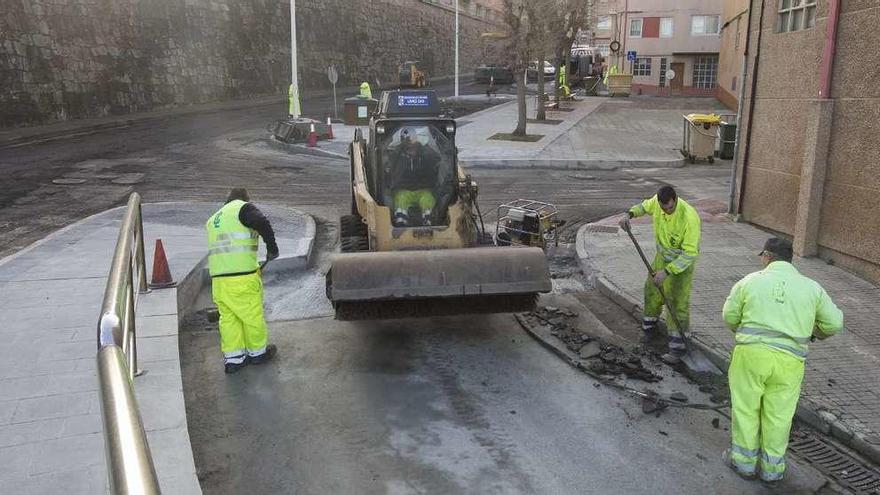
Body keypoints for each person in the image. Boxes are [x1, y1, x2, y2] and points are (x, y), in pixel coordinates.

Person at [722, 237, 843, 485]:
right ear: (789, 259)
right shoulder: (812, 288)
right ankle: (772, 470)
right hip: (790, 362)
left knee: (746, 408)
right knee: (779, 416)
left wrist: (743, 332)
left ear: (767, 256)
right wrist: (813, 334)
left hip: (751, 356)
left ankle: (744, 463)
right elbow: (834, 323)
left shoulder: (750, 281)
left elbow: (729, 315)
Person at [619, 185, 701, 364]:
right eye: (663, 207)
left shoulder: (689, 217)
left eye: (670, 207)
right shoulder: (657, 203)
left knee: (676, 302)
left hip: (680, 266)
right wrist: (629, 215)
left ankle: (678, 349)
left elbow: (690, 253)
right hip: (661, 259)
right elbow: (643, 207)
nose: (666, 210)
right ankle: (650, 331)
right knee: (652, 291)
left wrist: (667, 272)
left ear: (675, 199)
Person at [205, 188, 279, 374]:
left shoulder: (213, 219)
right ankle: (257, 353)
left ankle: (234, 359)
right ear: (245, 198)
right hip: (242, 278)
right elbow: (262, 222)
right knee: (251, 315)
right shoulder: (243, 208)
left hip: (219, 280)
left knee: (228, 319)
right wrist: (272, 248)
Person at [390, 128, 441, 226]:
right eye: (405, 141)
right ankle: (401, 222)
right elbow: (389, 166)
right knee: (401, 199)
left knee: (427, 199)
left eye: (410, 140)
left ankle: (428, 220)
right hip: (404, 188)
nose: (409, 145)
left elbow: (436, 161)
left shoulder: (426, 153)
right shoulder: (397, 154)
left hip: (423, 188)